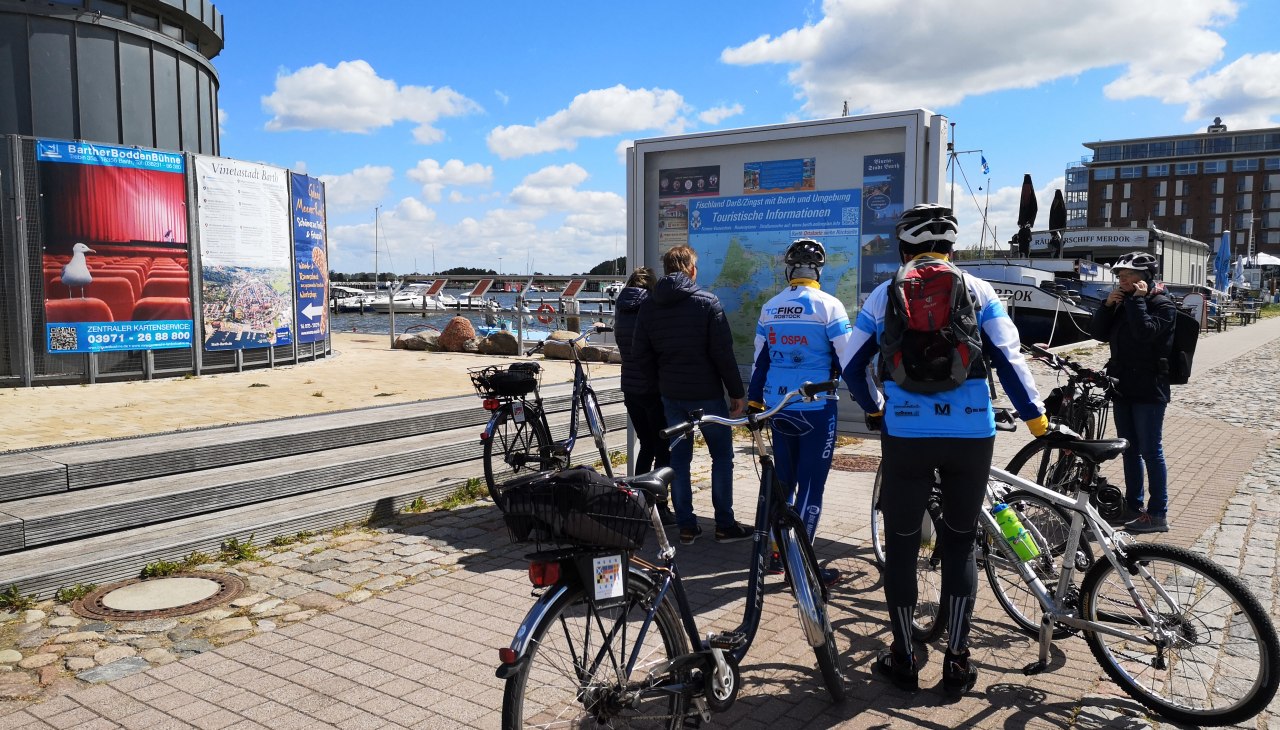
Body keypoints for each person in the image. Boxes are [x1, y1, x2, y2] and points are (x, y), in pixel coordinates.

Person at [845, 204, 1049, 697]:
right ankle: (957, 661)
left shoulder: (882, 293)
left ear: (904, 248)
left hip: (907, 434)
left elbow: (852, 366)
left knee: (901, 544)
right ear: (951, 248)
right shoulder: (981, 291)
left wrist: (876, 410)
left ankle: (905, 656)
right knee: (959, 544)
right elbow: (1009, 359)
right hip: (970, 434)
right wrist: (1037, 421)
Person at [746, 239, 858, 585]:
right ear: (819, 271)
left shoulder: (771, 307)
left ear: (789, 271)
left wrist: (754, 402)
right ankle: (804, 567)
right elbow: (847, 357)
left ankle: (779, 555)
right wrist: (872, 402)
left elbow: (760, 360)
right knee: (811, 487)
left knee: (784, 482)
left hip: (779, 407)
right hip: (816, 409)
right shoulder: (830, 306)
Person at [631, 245, 751, 545]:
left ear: (666, 270)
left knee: (678, 459)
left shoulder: (649, 306)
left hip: (672, 395)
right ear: (691, 269)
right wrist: (736, 393)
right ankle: (724, 525)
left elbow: (639, 354)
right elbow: (723, 353)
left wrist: (659, 381)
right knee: (722, 457)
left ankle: (686, 526)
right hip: (708, 395)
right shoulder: (707, 302)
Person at [1089, 251, 1176, 534]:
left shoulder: (1163, 306)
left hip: (1150, 391)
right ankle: (1133, 506)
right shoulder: (1123, 304)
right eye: (1120, 278)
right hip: (1123, 388)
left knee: (1151, 451)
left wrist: (1137, 301)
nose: (1122, 282)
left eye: (1127, 278)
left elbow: (1144, 333)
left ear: (1144, 279)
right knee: (1130, 451)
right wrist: (1107, 307)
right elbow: (1098, 334)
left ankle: (1157, 513)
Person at [614, 266, 675, 525]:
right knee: (662, 448)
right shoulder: (650, 309)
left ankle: (638, 501)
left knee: (646, 444)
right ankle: (662, 506)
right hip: (652, 387)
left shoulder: (621, 309)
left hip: (630, 386)